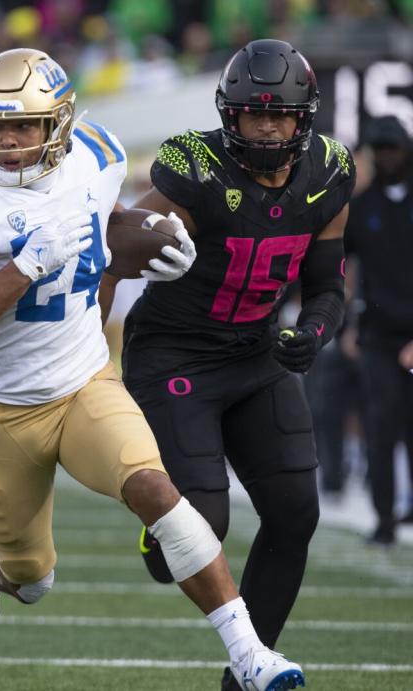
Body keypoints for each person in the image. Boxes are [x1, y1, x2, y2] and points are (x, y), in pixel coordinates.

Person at [0, 47, 306, 691]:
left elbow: (105, 228)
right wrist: (21, 269)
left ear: (61, 124)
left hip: (83, 383)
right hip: (2, 410)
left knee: (158, 492)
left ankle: (250, 654)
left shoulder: (97, 156)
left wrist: (156, 241)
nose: (8, 142)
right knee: (29, 578)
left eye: (24, 126)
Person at [103, 39, 354, 691]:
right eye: (253, 114)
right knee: (200, 528)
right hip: (175, 353)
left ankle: (249, 668)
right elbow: (120, 243)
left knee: (297, 510)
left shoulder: (328, 172)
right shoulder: (197, 170)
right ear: (228, 115)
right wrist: (145, 241)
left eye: (281, 114)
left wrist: (315, 331)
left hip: (256, 353)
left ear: (304, 119)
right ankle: (158, 528)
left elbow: (329, 284)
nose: (267, 127)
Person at [344, 114, 413, 546]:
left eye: (394, 150)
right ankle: (384, 517)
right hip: (380, 336)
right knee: (381, 425)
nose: (388, 158)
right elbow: (344, 264)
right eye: (380, 150)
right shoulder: (363, 206)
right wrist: (350, 320)